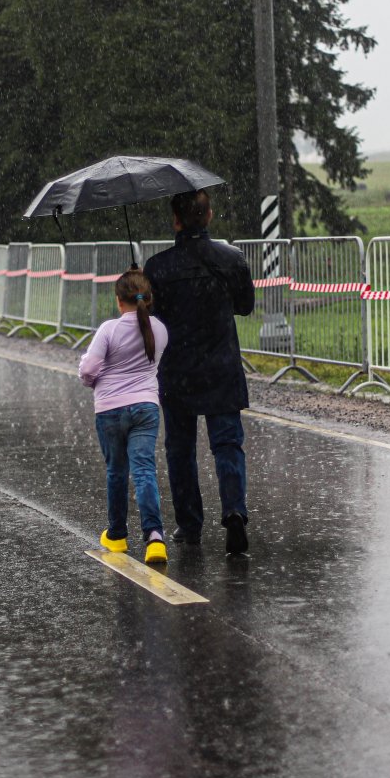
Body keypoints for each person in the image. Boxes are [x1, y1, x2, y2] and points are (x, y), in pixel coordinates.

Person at [142, 189, 255, 554]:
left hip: (178, 370)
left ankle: (190, 525)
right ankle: (235, 512)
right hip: (221, 365)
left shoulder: (158, 267)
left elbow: (151, 316)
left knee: (180, 449)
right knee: (227, 443)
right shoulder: (231, 257)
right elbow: (245, 306)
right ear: (208, 216)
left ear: (176, 220)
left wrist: (141, 288)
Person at [78, 270, 170, 563]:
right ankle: (155, 537)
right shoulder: (159, 330)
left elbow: (89, 370)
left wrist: (97, 380)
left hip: (110, 409)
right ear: (149, 298)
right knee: (144, 470)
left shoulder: (108, 330)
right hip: (145, 407)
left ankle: (117, 535)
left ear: (119, 301)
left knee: (116, 471)